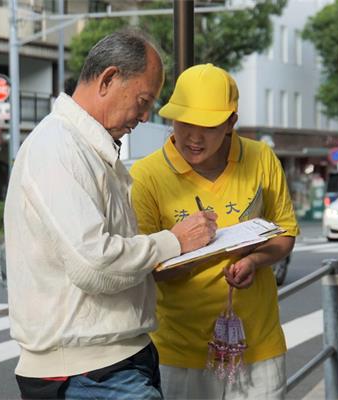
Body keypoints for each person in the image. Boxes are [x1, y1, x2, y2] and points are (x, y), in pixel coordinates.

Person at [4, 30, 218, 400]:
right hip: (86, 371)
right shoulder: (56, 148)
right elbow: (95, 264)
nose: (145, 114)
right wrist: (174, 241)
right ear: (108, 79)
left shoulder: (87, 147)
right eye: (142, 99)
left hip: (108, 362)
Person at [130, 63, 299, 399]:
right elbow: (142, 266)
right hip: (178, 352)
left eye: (207, 126)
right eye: (183, 121)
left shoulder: (261, 158)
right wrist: (184, 251)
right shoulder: (146, 176)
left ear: (230, 122)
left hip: (258, 347)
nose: (193, 136)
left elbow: (286, 233)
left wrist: (254, 261)